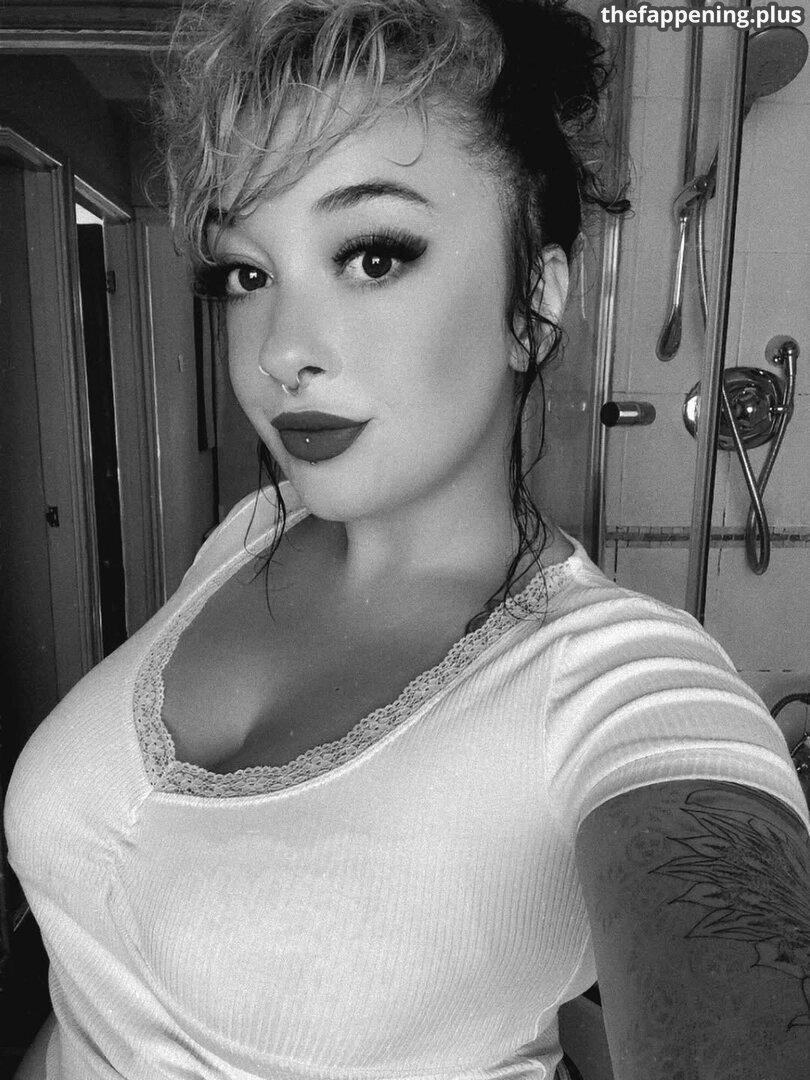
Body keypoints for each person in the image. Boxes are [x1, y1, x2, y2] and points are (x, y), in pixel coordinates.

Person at [6, 1, 810, 1078]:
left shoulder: (623, 688)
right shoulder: (248, 535)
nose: (281, 352)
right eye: (247, 272)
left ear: (535, 300)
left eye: (372, 257)